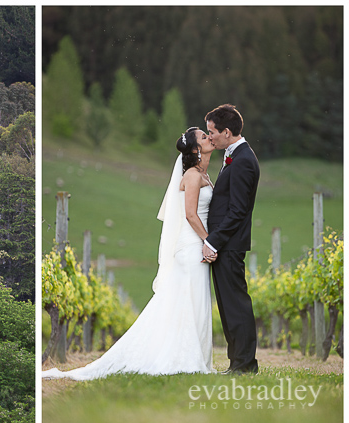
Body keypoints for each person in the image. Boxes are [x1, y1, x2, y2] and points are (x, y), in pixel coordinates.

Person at [41, 127, 217, 380]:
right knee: (191, 302)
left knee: (193, 301)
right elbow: (190, 214)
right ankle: (183, 359)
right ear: (195, 149)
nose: (209, 137)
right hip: (191, 246)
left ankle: (194, 357)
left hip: (194, 245)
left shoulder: (202, 174)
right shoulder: (191, 175)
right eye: (203, 136)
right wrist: (208, 241)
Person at [202, 104, 259, 375]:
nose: (209, 136)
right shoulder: (234, 156)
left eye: (212, 131)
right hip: (226, 244)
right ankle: (237, 363)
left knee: (236, 305)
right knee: (228, 306)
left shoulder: (244, 160)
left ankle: (246, 365)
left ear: (227, 132)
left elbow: (237, 211)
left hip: (230, 245)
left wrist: (213, 241)